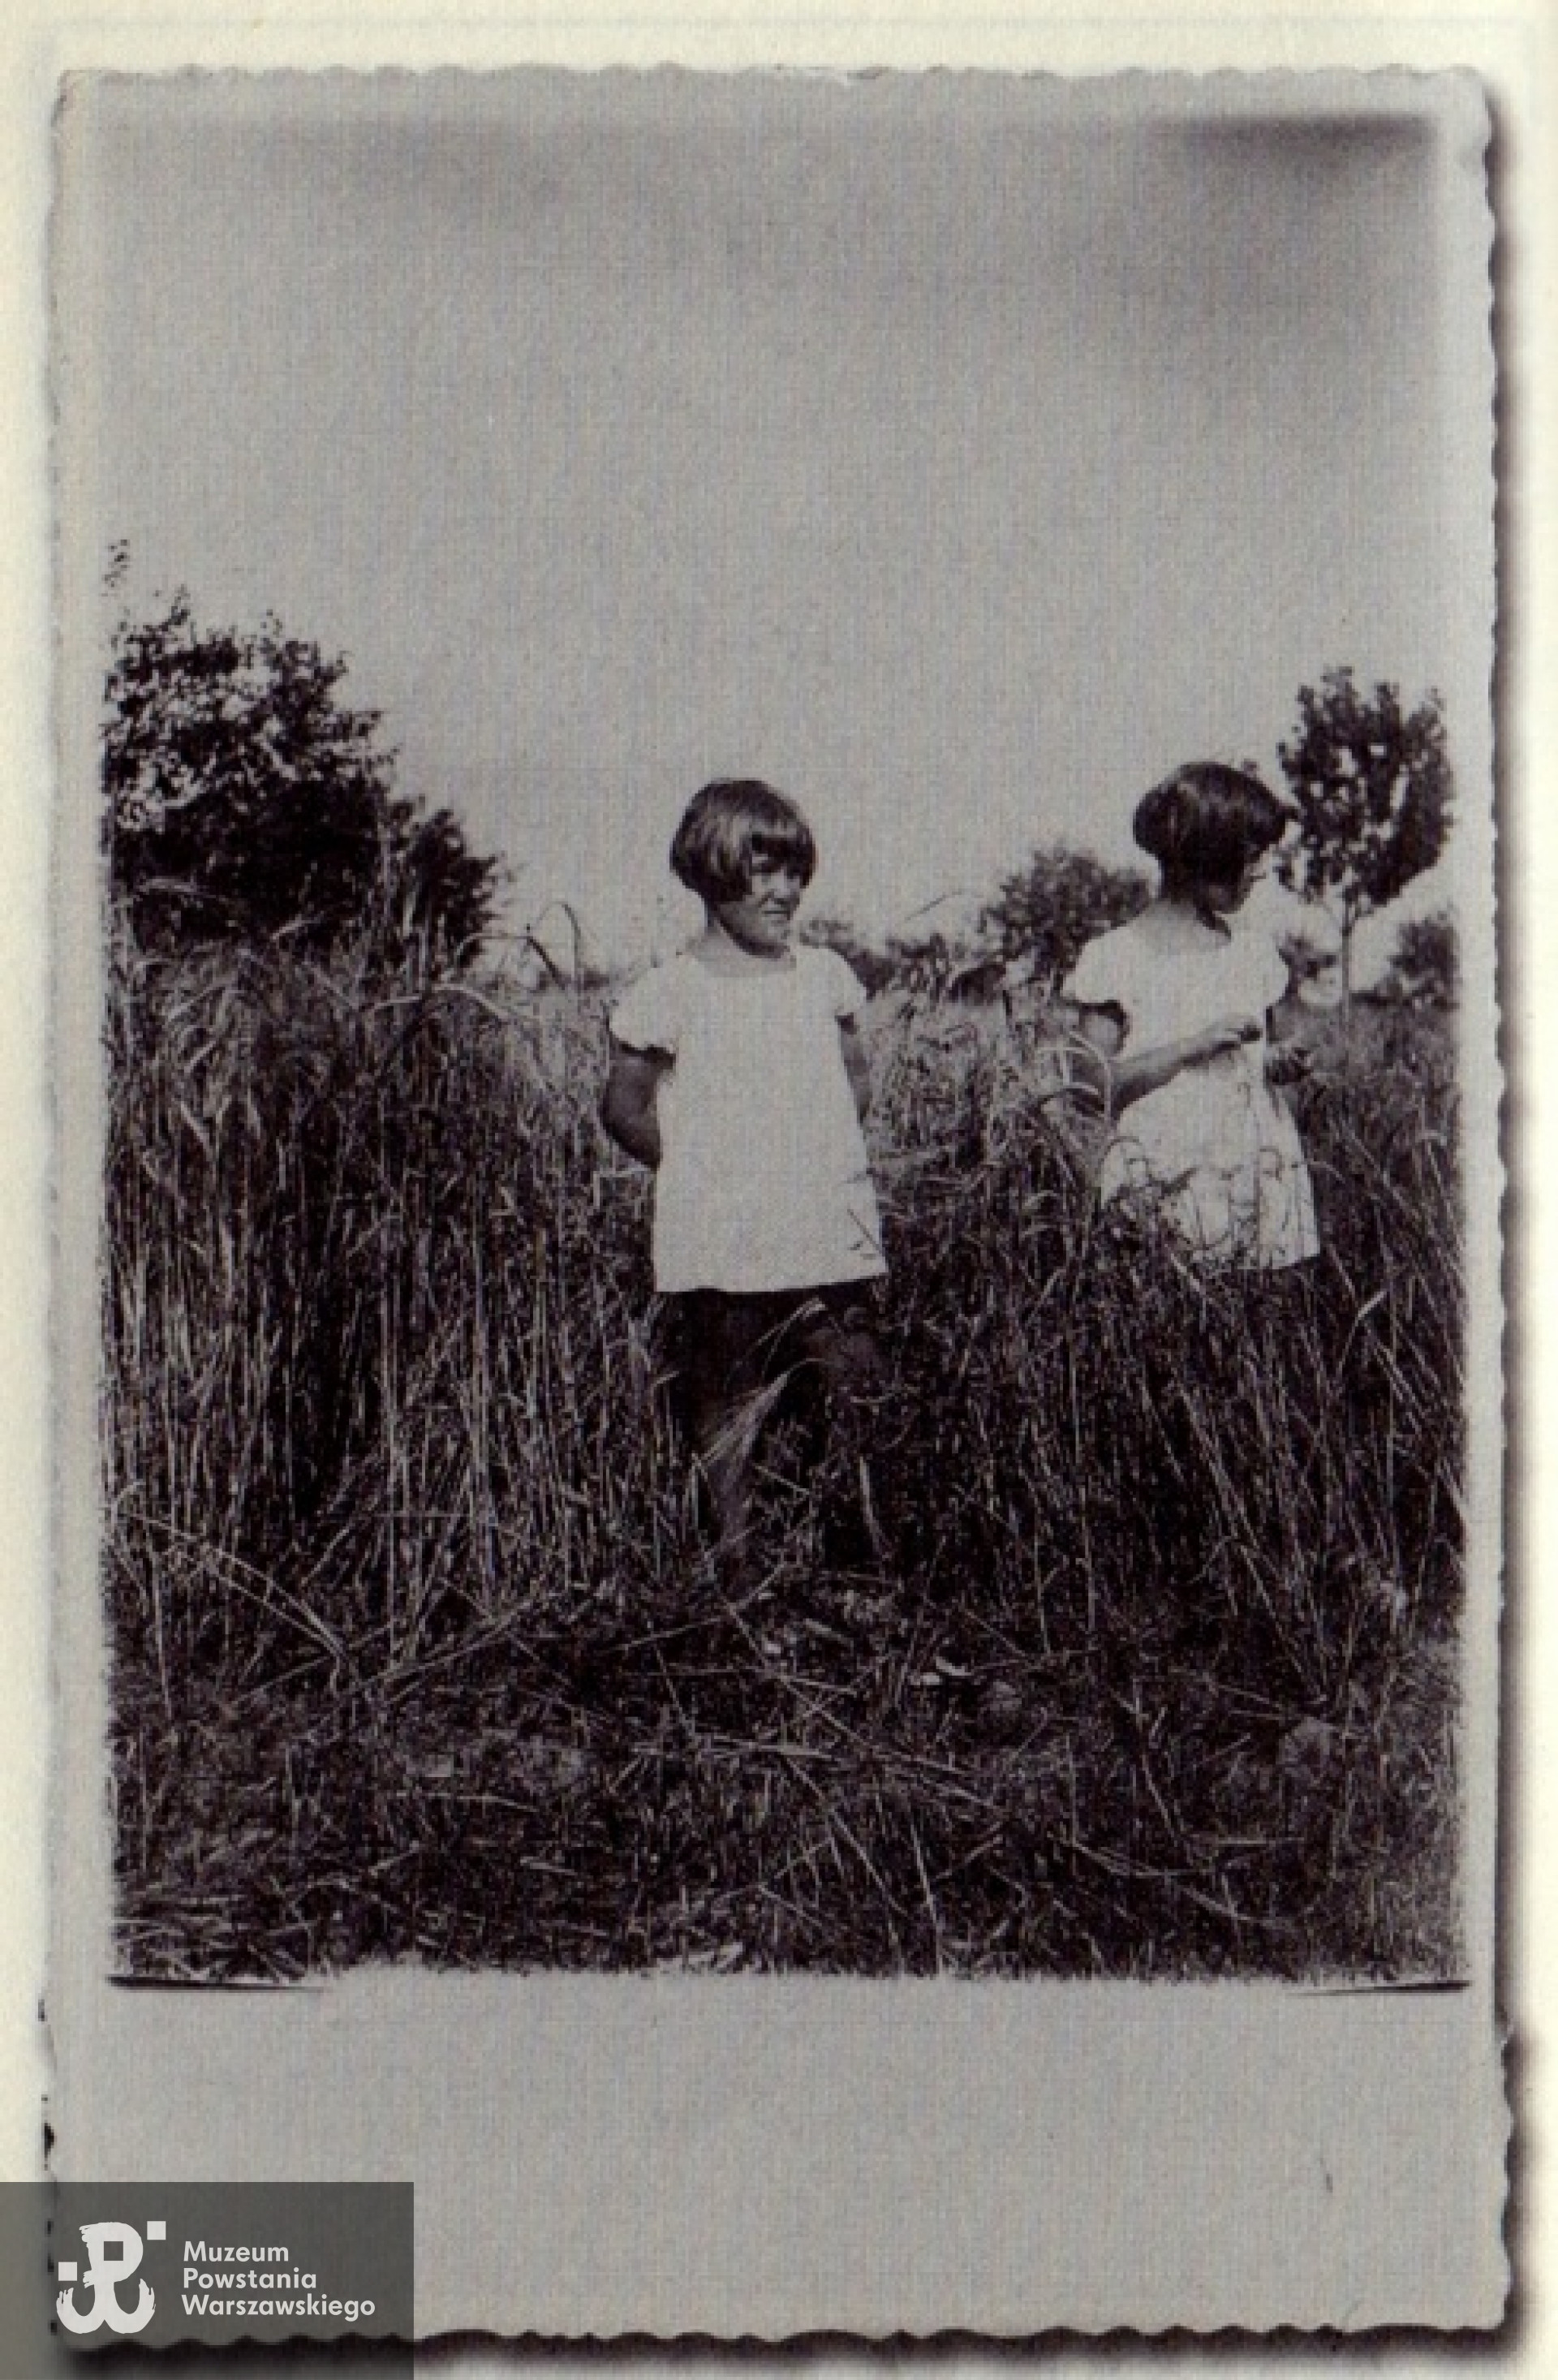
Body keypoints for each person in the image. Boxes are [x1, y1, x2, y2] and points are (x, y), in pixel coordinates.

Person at [600, 779, 889, 1591]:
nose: (784, 890)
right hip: (721, 1240)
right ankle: (738, 1567)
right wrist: (702, 1170)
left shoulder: (823, 975)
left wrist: (813, 1159)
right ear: (708, 869)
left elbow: (855, 1085)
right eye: (762, 870)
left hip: (830, 1231)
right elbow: (622, 1108)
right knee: (727, 1399)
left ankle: (865, 1562)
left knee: (857, 1389)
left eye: (795, 870)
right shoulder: (671, 990)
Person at [1061, 763, 1319, 1269]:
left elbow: (1260, 1065)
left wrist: (1280, 1063)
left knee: (1252, 1331)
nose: (1263, 870)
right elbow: (1088, 1088)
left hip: (1253, 1183)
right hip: (1157, 1188)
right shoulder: (1116, 958)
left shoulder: (1254, 956)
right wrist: (1189, 1048)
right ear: (1209, 856)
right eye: (1251, 856)